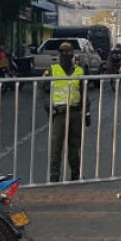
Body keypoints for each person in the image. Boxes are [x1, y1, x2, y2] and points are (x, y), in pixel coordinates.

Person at [44, 43, 89, 182]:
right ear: (60, 53)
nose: (67, 55)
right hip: (60, 113)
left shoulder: (79, 71)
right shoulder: (52, 70)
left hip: (75, 113)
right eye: (64, 52)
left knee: (75, 147)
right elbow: (42, 89)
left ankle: (75, 175)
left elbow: (84, 92)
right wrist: (48, 107)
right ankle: (54, 177)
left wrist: (87, 112)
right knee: (56, 147)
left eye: (69, 52)